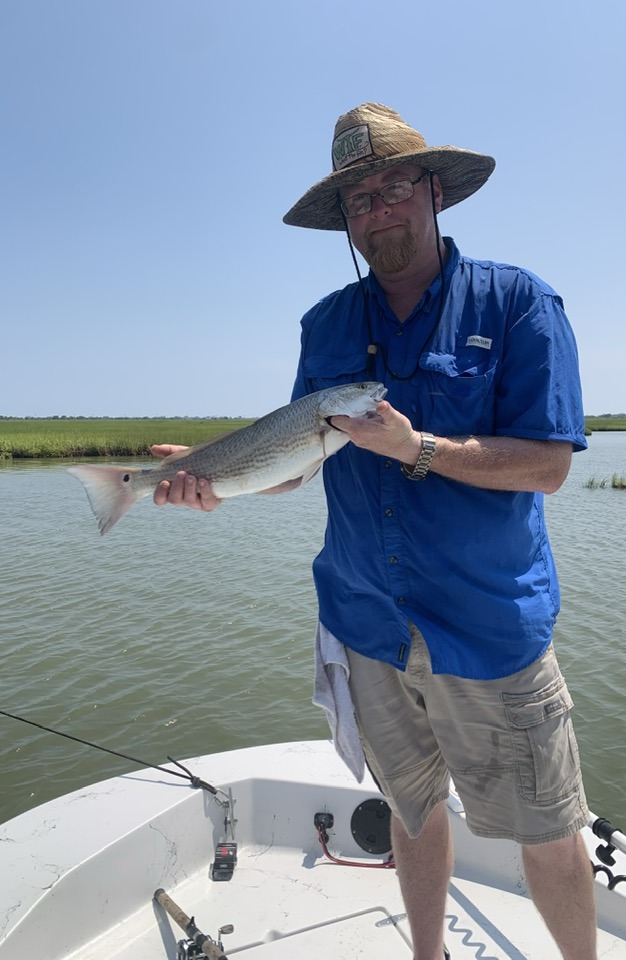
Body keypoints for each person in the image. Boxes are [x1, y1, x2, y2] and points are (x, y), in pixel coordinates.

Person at [154, 103, 596, 960]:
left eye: (395, 186)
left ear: (434, 191)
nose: (378, 207)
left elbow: (548, 465)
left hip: (488, 627)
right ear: (345, 221)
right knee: (410, 808)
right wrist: (212, 478)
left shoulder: (519, 304)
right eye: (360, 199)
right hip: (365, 624)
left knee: (546, 828)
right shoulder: (325, 324)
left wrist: (418, 446)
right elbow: (296, 459)